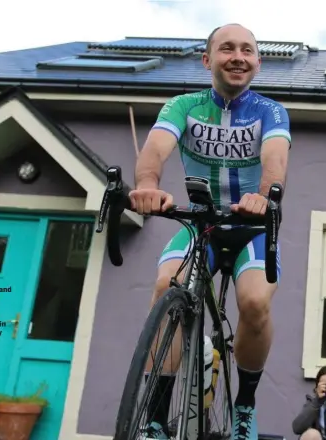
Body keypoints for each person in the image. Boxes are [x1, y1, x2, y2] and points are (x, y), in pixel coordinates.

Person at [128, 23, 291, 440]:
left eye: (247, 50)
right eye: (227, 48)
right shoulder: (182, 106)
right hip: (201, 224)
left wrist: (263, 196)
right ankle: (156, 418)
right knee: (168, 286)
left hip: (252, 225)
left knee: (254, 302)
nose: (238, 56)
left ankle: (245, 406)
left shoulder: (270, 111)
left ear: (257, 61)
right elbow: (156, 150)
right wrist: (147, 184)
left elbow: (274, 162)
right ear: (207, 59)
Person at [292, 366, 326, 439]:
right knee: (311, 434)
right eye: (324, 385)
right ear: (317, 388)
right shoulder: (313, 404)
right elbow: (297, 428)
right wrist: (317, 402)